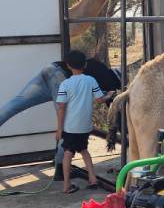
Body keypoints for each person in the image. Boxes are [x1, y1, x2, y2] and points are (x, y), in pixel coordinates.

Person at [0, 55, 122, 177]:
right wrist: (125, 131)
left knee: (15, 105)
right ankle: (61, 169)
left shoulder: (98, 66)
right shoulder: (109, 81)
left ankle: (60, 165)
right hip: (59, 77)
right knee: (67, 122)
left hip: (51, 69)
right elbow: (113, 110)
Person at [55, 50, 115, 193]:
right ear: (85, 64)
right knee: (83, 150)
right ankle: (93, 179)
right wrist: (109, 95)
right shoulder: (91, 80)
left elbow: (61, 108)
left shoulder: (65, 84)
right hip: (85, 126)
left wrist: (59, 129)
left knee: (68, 153)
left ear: (68, 66)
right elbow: (99, 99)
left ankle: (67, 185)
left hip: (70, 127)